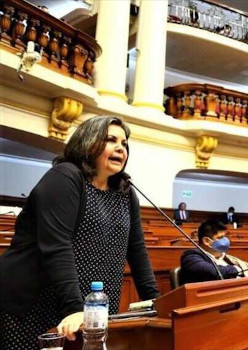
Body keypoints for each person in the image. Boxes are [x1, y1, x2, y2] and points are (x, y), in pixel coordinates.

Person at [0, 116, 159, 349]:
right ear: (88, 142)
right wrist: (74, 308)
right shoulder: (65, 177)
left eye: (124, 143)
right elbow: (57, 246)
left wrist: (154, 301)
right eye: (110, 140)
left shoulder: (126, 192)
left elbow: (136, 249)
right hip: (34, 303)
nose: (120, 148)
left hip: (88, 307)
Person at [179, 219, 248, 284]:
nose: (225, 240)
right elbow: (214, 272)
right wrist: (238, 269)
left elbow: (244, 269)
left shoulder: (225, 257)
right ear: (207, 241)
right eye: (220, 237)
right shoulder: (190, 257)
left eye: (225, 237)